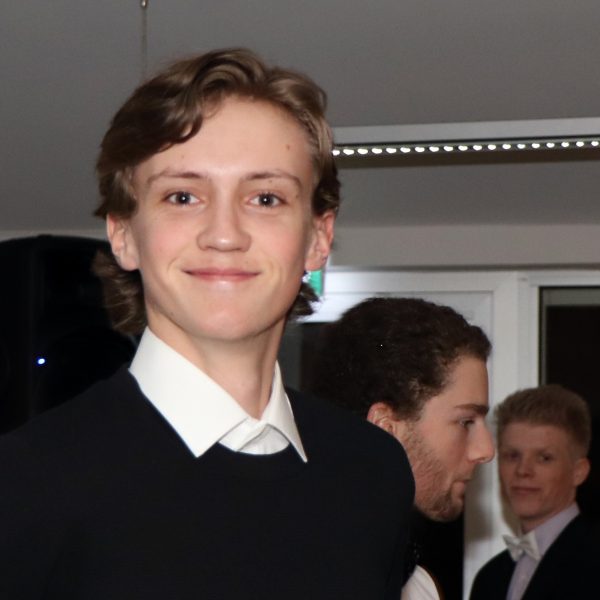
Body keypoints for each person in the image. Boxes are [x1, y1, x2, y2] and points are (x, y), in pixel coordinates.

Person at [0, 48, 414, 599]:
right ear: (123, 234)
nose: (224, 234)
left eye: (265, 198)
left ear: (318, 237)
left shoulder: (374, 472)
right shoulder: (26, 483)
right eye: (183, 196)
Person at [308, 297, 495, 599]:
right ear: (385, 428)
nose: (486, 450)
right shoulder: (295, 570)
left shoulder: (419, 586)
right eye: (465, 422)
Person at [469, 384, 600, 600]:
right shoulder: (490, 577)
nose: (523, 470)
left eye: (544, 458)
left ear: (578, 472)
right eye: (512, 456)